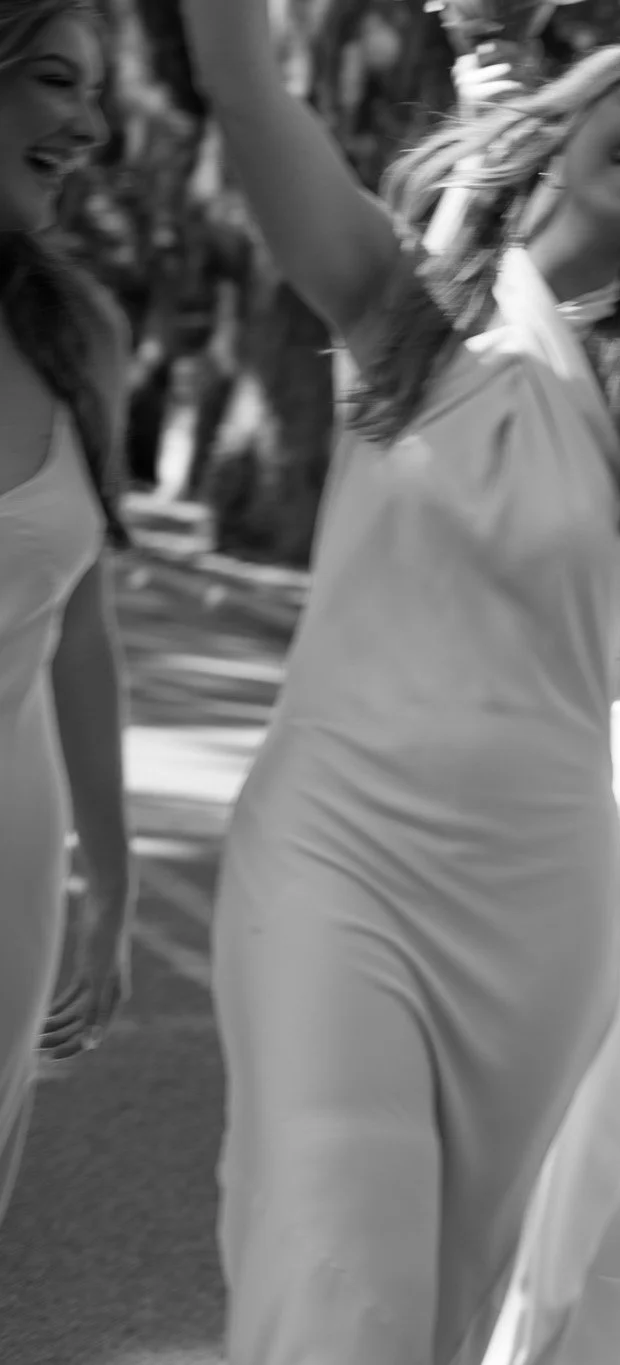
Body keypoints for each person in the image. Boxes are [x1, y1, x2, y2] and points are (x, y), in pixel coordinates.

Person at [178, 13, 620, 1361]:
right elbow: (247, 96)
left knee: (433, 1313)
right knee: (337, 1273)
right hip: (334, 853)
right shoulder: (396, 300)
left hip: (537, 914)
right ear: (569, 116)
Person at [0, 0, 134, 1224]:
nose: (86, 124)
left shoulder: (80, 335)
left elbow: (85, 630)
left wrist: (114, 881)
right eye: (54, 81)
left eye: (92, 93)